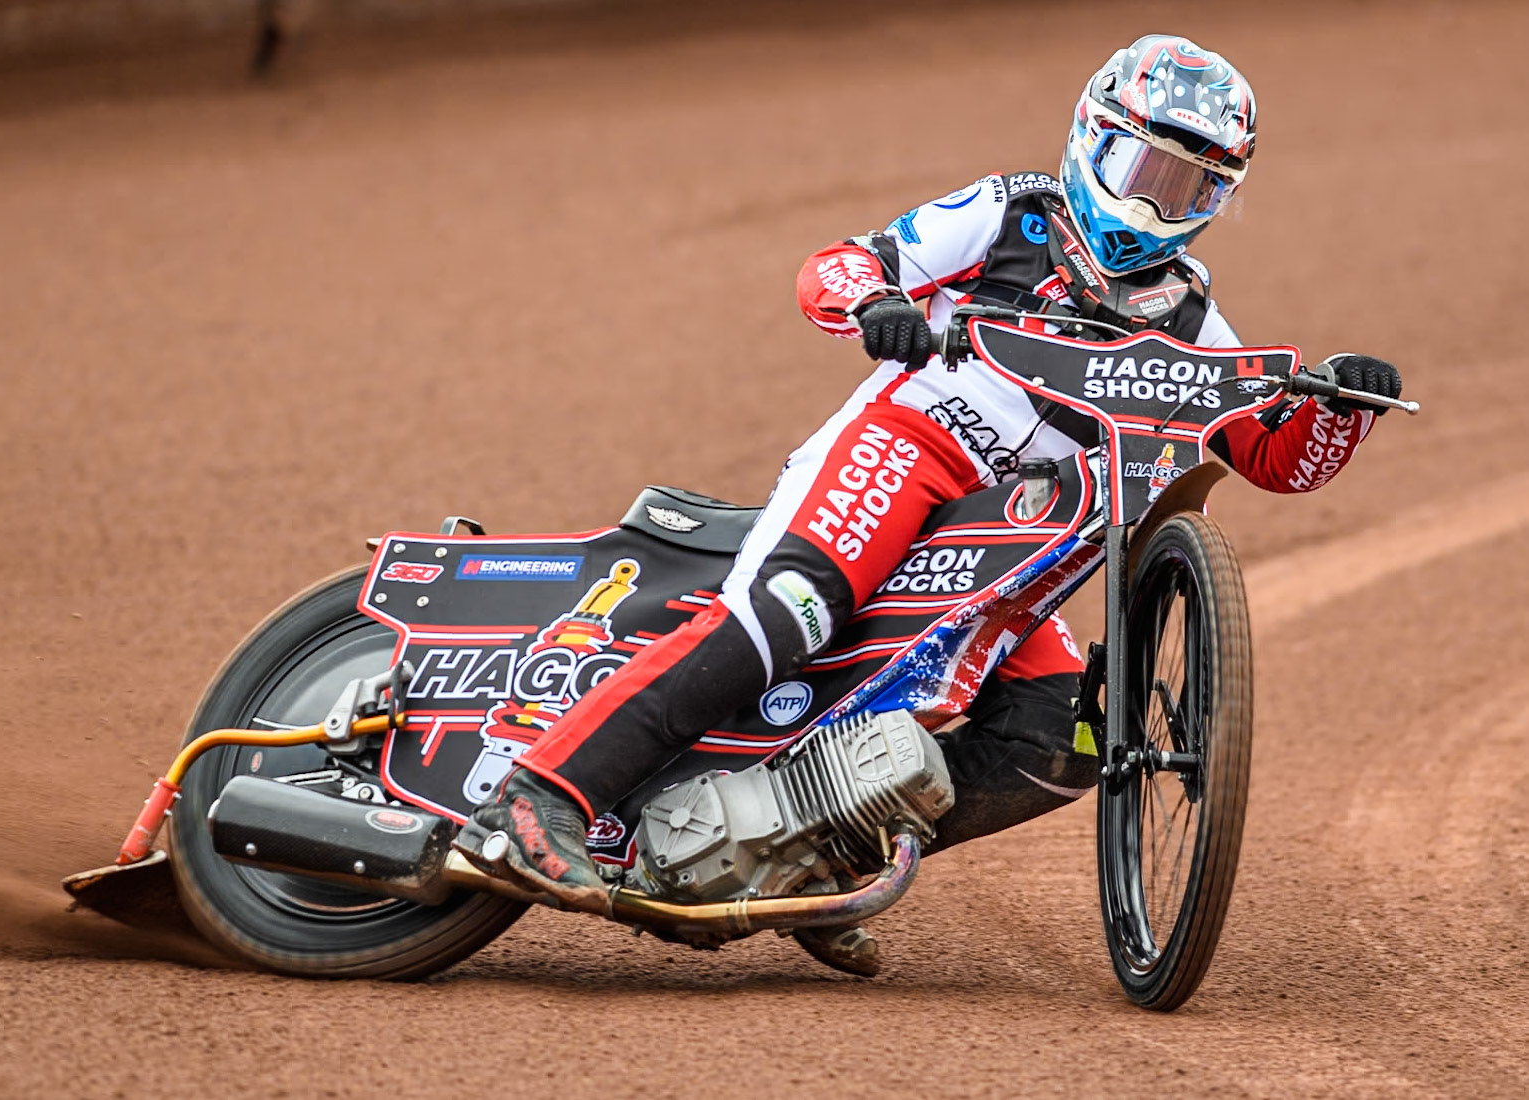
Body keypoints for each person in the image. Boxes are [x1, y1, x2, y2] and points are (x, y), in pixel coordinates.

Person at [453, 34, 1402, 974]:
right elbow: (834, 264)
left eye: (1195, 189)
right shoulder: (1008, 213)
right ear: (1094, 137)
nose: (1163, 203)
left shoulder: (1192, 318)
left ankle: (818, 861)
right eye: (1149, 168)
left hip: (1007, 533)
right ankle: (536, 801)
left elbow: (1275, 459)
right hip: (903, 456)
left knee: (1061, 728)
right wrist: (875, 304)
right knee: (786, 614)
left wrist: (1341, 408)